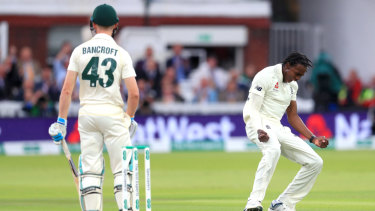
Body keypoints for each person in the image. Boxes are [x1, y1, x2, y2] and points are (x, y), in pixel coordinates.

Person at [48, 4, 139, 211]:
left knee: (90, 172)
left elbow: (66, 91)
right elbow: (134, 93)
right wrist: (129, 118)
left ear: (93, 24)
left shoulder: (79, 51)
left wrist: (61, 122)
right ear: (116, 25)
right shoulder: (121, 53)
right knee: (123, 170)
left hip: (87, 116)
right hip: (114, 116)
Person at [242, 52, 329, 211]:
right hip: (258, 123)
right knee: (273, 149)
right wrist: (259, 129)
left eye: (301, 76)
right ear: (287, 66)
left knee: (315, 162)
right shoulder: (265, 76)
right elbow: (252, 109)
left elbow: (293, 116)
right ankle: (253, 203)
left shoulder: (292, 86)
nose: (298, 78)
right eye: (297, 74)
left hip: (276, 126)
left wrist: (313, 138)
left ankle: (283, 203)